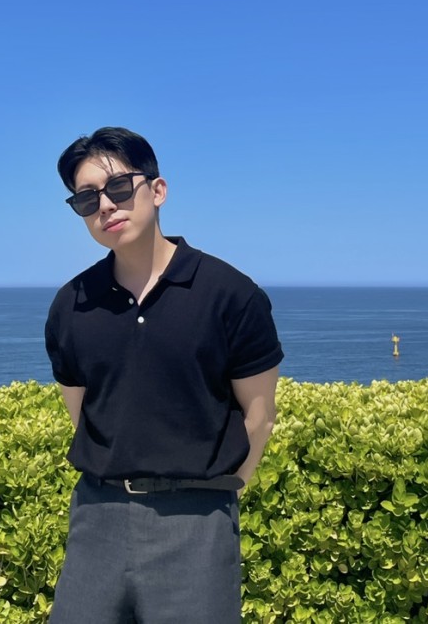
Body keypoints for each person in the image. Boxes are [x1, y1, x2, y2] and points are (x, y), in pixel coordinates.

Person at [45, 127, 283, 623]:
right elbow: (83, 413)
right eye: (87, 198)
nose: (105, 206)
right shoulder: (72, 304)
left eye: (118, 187)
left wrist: (215, 492)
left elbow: (259, 417)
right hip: (97, 516)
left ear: (157, 190)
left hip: (195, 520)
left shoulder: (230, 294)